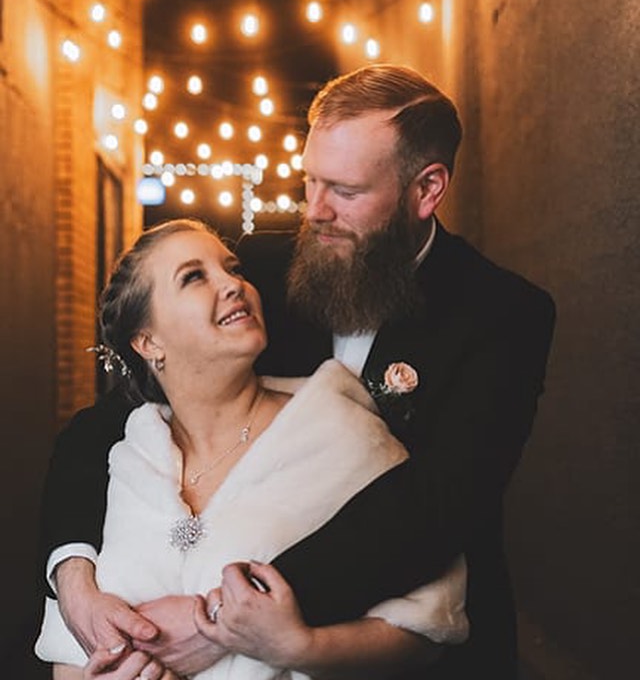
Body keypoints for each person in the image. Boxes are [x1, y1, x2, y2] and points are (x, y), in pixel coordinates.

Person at [39, 64, 555, 678]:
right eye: (309, 180)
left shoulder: (503, 314)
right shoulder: (254, 273)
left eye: (345, 190)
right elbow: (101, 431)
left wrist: (222, 619)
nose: (315, 210)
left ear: (427, 189)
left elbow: (438, 509)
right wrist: (72, 575)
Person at [36, 218, 469, 679]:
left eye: (233, 268)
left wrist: (299, 647)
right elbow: (72, 645)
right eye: (194, 276)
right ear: (148, 342)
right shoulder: (128, 454)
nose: (233, 284)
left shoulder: (337, 430)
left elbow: (425, 624)